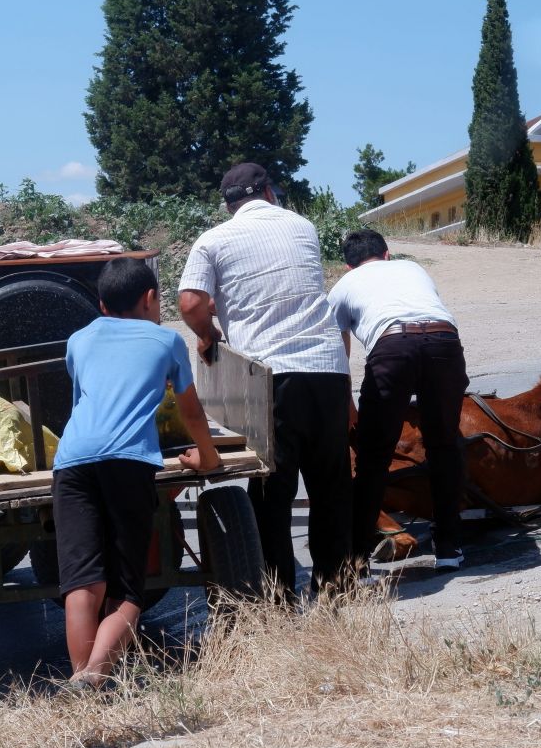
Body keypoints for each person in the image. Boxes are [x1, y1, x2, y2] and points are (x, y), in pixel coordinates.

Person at [178, 162, 354, 599]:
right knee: (330, 487)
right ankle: (334, 589)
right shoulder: (303, 226)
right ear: (271, 193)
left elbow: (189, 302)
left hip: (271, 376)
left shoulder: (214, 239)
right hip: (328, 369)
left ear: (229, 204)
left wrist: (208, 335)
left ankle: (278, 598)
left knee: (272, 490)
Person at [51, 257, 219, 688]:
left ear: (102, 304)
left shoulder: (78, 340)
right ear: (149, 298)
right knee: (128, 590)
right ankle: (94, 677)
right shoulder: (166, 342)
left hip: (72, 462)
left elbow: (84, 402)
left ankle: (81, 682)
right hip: (128, 462)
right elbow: (191, 411)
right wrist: (208, 457)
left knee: (83, 583)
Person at [327, 229, 469, 569]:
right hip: (444, 341)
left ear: (349, 266)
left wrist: (347, 402)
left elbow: (337, 349)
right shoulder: (413, 268)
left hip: (393, 348)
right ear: (387, 253)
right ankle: (449, 547)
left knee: (373, 457)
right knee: (445, 446)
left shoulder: (343, 286)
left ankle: (358, 561)